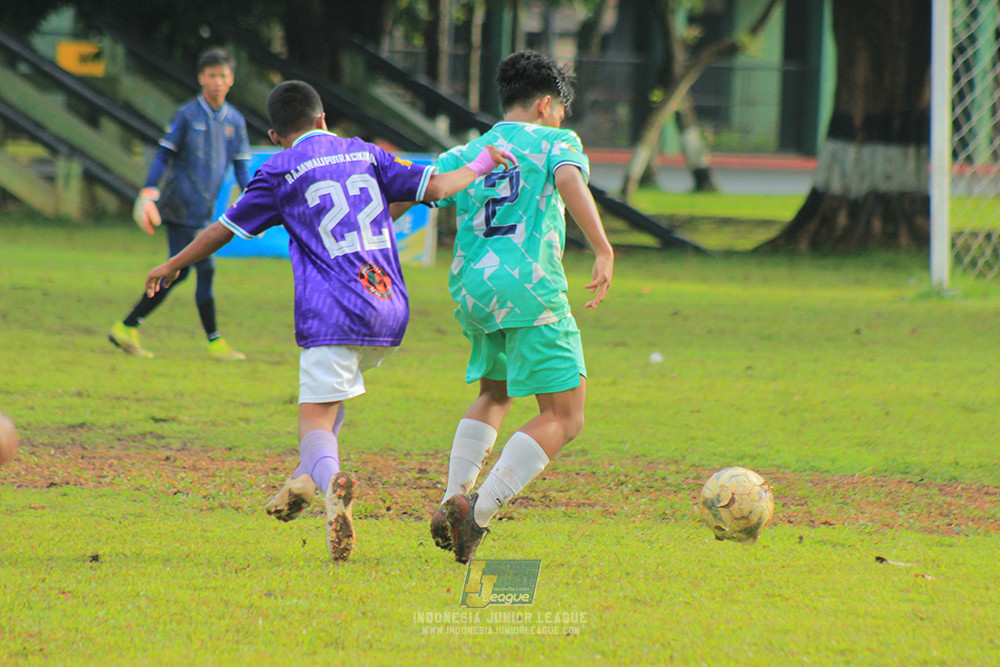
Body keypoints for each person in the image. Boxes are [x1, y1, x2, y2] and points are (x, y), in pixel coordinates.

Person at [144, 81, 515, 562]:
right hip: (389, 309)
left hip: (333, 312)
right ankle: (304, 479)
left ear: (275, 136)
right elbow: (440, 188)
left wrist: (173, 264)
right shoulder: (366, 152)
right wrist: (483, 162)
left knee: (314, 421)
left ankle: (329, 480)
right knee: (331, 398)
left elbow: (223, 230)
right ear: (323, 118)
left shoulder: (278, 169)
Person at [427, 51, 614, 563]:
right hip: (529, 288)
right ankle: (477, 512)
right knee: (564, 415)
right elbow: (570, 181)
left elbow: (415, 194)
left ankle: (452, 500)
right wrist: (602, 247)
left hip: (474, 289)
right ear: (546, 105)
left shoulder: (470, 150)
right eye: (560, 112)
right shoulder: (557, 142)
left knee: (495, 392)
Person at [109, 48, 251, 360]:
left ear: (231, 80)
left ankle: (127, 326)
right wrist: (149, 189)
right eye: (212, 75)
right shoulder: (187, 115)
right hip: (179, 205)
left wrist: (251, 198)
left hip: (204, 209)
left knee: (181, 272)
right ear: (201, 78)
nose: (217, 81)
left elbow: (241, 166)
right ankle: (214, 342)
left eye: (223, 76)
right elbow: (164, 154)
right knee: (202, 268)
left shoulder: (235, 121)